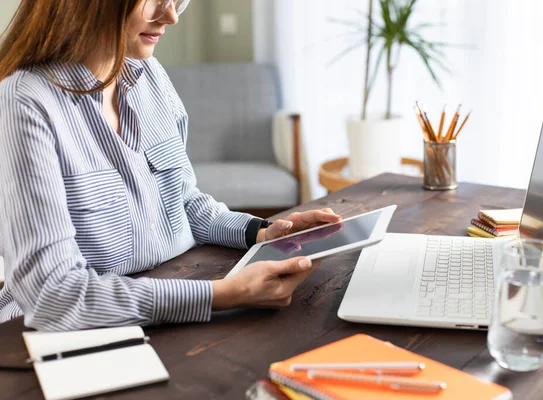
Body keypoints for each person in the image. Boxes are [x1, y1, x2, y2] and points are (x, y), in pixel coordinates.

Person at [0, 0, 342, 332]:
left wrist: (264, 232)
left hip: (168, 298)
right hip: (53, 339)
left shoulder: (149, 75)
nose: (171, 17)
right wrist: (224, 294)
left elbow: (183, 202)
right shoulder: (25, 101)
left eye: (175, 0)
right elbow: (52, 295)